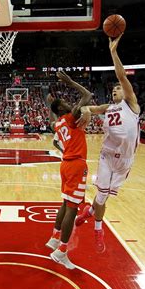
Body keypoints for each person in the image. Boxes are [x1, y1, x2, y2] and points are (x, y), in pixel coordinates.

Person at [75, 34, 141, 253]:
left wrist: (113, 52)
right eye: (113, 89)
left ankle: (89, 212)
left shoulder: (131, 104)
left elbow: (122, 77)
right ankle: (97, 229)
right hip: (107, 155)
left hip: (126, 160)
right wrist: (85, 110)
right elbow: (89, 109)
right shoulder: (108, 107)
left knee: (102, 197)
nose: (115, 90)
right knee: (102, 195)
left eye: (118, 88)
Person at [45, 70, 92, 269]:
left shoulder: (57, 123)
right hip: (75, 164)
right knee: (72, 209)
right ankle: (62, 251)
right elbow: (87, 96)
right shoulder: (70, 117)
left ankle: (55, 238)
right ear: (63, 107)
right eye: (64, 102)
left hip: (66, 164)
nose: (68, 103)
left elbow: (51, 120)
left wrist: (50, 105)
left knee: (66, 203)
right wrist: (70, 81)